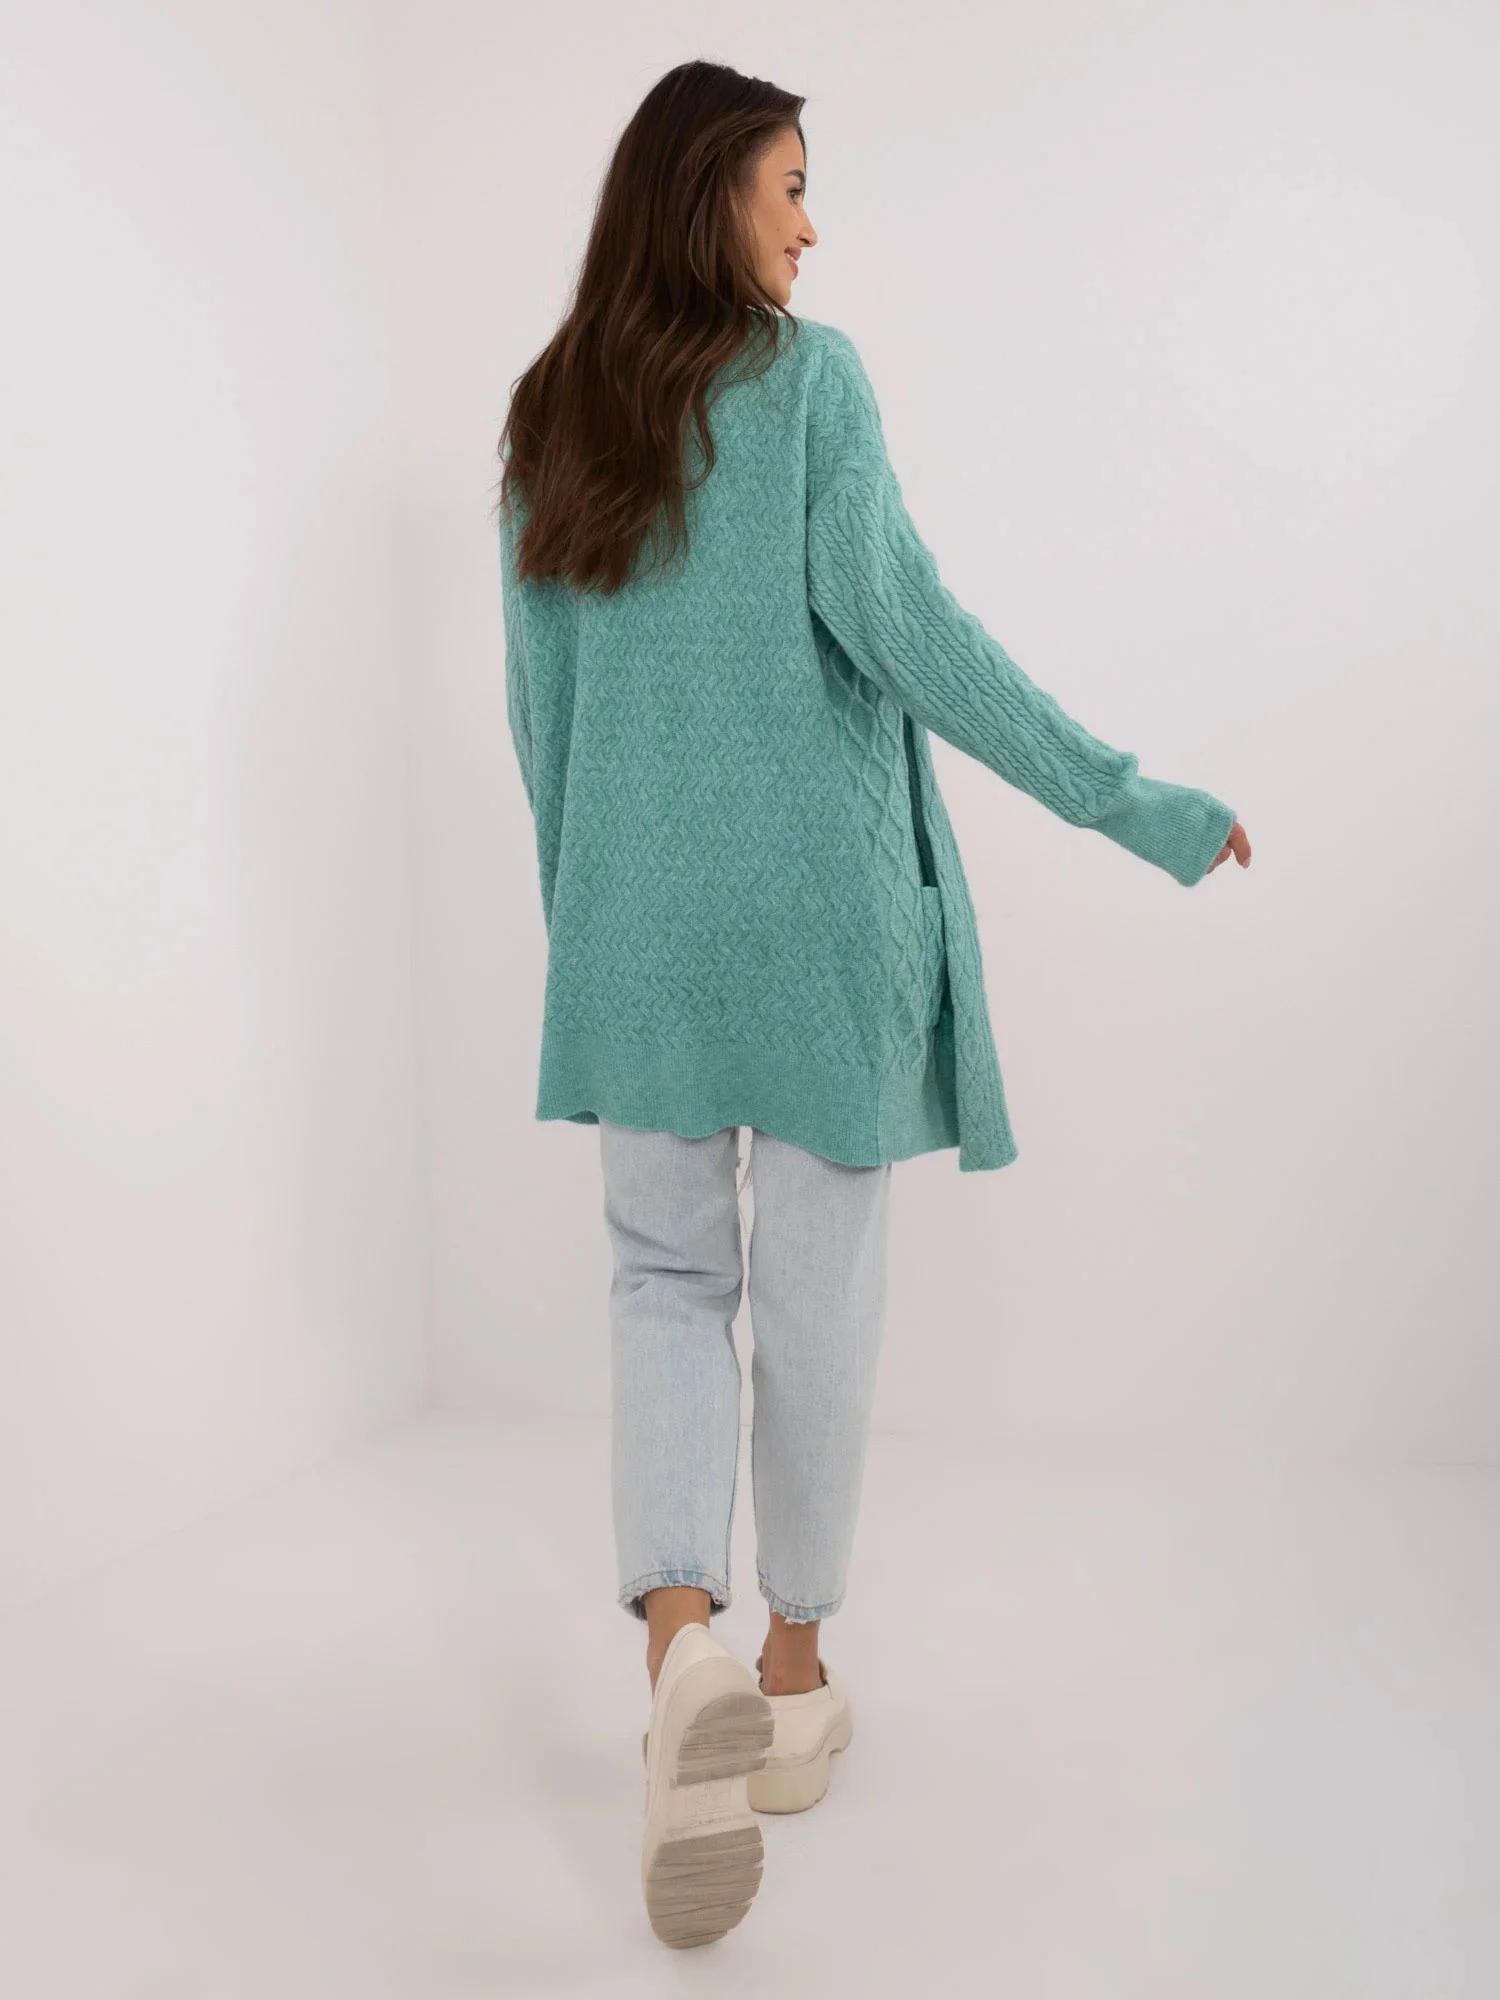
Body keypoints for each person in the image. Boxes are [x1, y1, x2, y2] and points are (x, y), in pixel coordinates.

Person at [494, 59, 1250, 1952]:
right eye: (790, 187)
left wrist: (591, 923)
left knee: (664, 1283)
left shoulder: (552, 407)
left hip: (636, 929)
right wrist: (1130, 800)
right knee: (817, 1301)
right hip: (825, 922)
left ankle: (677, 1651)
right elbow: (912, 634)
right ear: (710, 195)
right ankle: (791, 1681)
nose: (811, 226)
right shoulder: (811, 385)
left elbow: (543, 718)